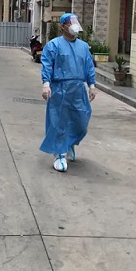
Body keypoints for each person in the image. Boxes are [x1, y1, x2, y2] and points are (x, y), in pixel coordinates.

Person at [40, 13, 97, 172]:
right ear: (63, 26)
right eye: (70, 22)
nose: (74, 25)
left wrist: (92, 84)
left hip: (78, 89)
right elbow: (47, 65)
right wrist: (46, 84)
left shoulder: (83, 47)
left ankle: (68, 143)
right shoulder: (54, 45)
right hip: (60, 88)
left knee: (81, 121)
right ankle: (59, 154)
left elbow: (89, 66)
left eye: (75, 21)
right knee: (59, 122)